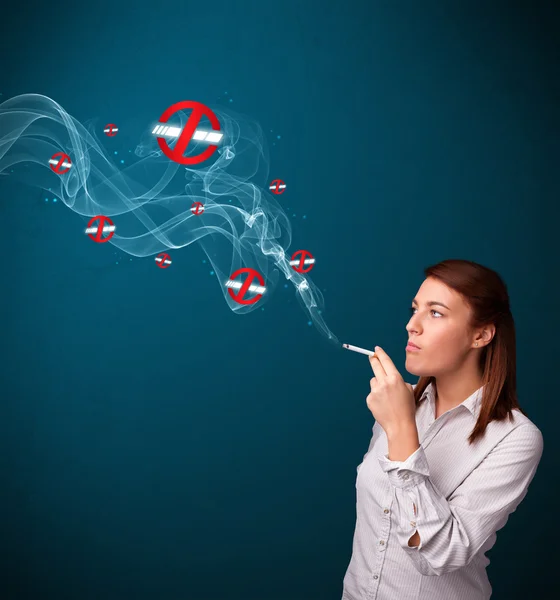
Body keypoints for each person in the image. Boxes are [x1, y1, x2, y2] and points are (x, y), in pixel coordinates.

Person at [341, 259, 543, 600]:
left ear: (481, 335)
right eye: (414, 309)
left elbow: (440, 555)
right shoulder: (401, 404)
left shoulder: (516, 438)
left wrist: (402, 428)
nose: (411, 325)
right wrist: (400, 419)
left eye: (435, 313)